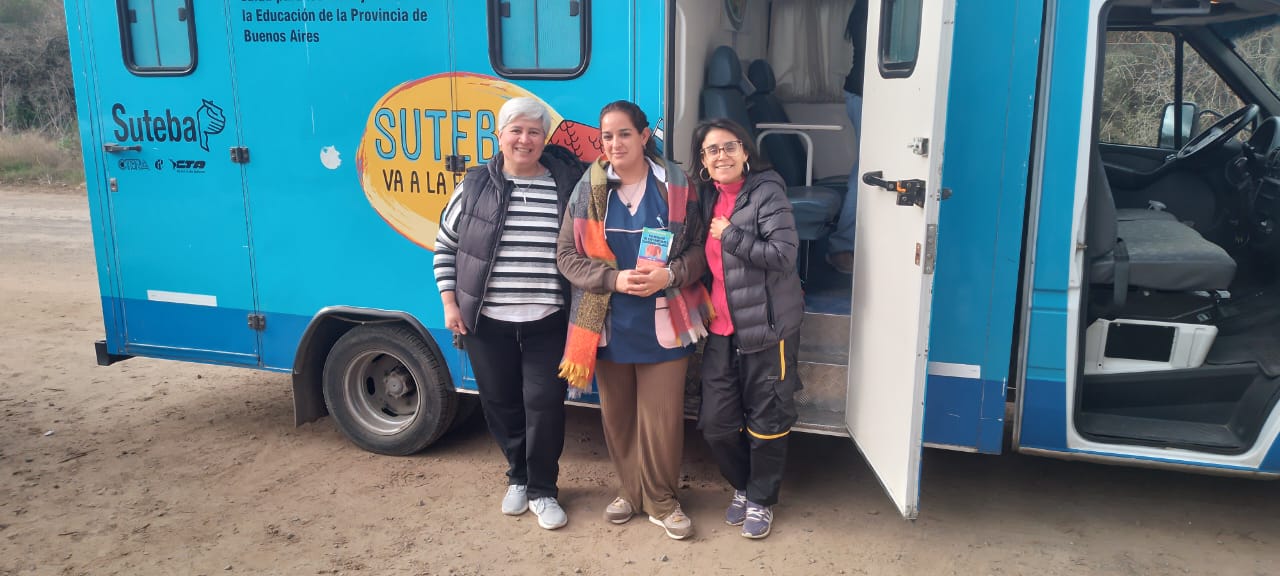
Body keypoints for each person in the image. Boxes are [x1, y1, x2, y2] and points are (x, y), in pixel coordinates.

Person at [556, 100, 712, 541]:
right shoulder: (588, 189)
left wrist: (670, 275)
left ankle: (662, 501)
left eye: (624, 134)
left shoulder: (675, 185)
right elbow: (566, 256)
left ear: (644, 136)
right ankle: (629, 491)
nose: (615, 143)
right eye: (607, 136)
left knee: (661, 419)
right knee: (618, 418)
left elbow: (699, 250)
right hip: (607, 324)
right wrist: (612, 279)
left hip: (665, 322)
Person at [433, 97, 585, 531]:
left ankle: (543, 489)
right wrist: (450, 303)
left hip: (548, 321)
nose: (524, 139)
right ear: (499, 136)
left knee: (545, 405)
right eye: (515, 130)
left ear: (544, 138)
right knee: (500, 404)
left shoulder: (566, 185)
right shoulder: (475, 186)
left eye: (534, 131)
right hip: (487, 323)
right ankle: (518, 477)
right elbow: (445, 246)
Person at [693, 118, 804, 539]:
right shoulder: (705, 197)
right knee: (716, 425)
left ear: (745, 152)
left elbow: (783, 255)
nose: (721, 155)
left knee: (767, 421)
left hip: (767, 328)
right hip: (720, 328)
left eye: (729, 147)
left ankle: (761, 499)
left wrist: (732, 235)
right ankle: (743, 485)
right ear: (703, 160)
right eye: (712, 150)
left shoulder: (766, 191)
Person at [827, 0, 868, 275]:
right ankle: (841, 246)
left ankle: (847, 244)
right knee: (867, 167)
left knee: (868, 166)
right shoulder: (869, 8)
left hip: (861, 93)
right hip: (863, 93)